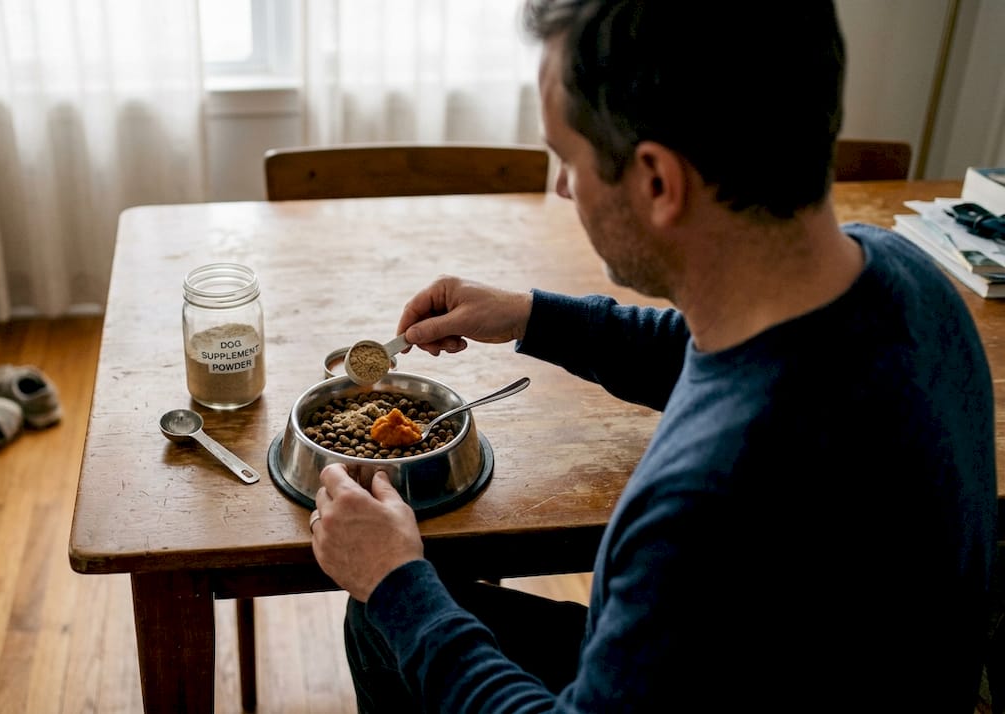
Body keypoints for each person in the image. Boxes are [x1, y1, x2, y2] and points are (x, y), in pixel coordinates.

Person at [306, 0, 997, 711]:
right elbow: (711, 355)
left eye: (568, 160)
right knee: (384, 621)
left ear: (658, 183)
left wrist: (395, 583)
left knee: (391, 615)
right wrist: (533, 317)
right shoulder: (904, 277)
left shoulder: (705, 510)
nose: (563, 187)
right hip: (831, 663)